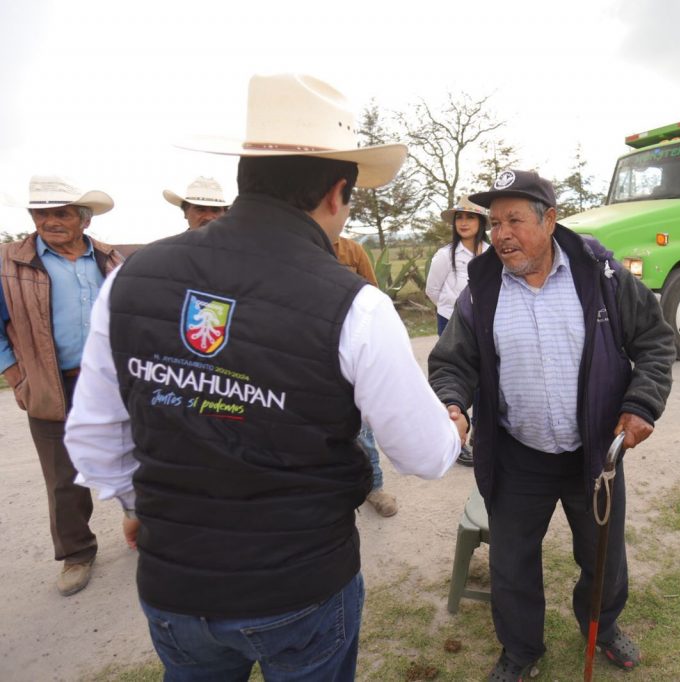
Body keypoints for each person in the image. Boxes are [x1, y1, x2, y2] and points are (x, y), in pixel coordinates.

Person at [65, 74, 461, 681]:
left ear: (244, 178)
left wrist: (144, 507)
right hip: (298, 589)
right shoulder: (355, 305)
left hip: (176, 585)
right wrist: (454, 423)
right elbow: (426, 454)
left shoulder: (133, 276)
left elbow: (93, 433)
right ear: (336, 193)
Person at [428, 169, 675, 679]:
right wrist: (453, 405)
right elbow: (452, 362)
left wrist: (642, 402)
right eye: (493, 222)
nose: (501, 234)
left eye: (514, 220)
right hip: (519, 455)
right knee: (512, 565)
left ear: (550, 219)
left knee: (602, 557)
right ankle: (521, 651)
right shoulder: (481, 289)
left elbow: (654, 340)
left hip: (594, 455)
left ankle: (600, 628)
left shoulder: (600, 274)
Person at [0, 175, 122, 597]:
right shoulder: (9, 264)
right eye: (41, 213)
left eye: (61, 213)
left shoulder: (109, 260)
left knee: (135, 453)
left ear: (83, 220)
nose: (49, 221)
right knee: (62, 475)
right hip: (53, 385)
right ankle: (76, 553)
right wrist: (17, 375)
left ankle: (147, 526)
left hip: (110, 381)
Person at [332, 234, 398, 517]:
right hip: (310, 345)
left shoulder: (352, 250)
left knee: (362, 425)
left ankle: (374, 486)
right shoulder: (295, 246)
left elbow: (372, 293)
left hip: (351, 343)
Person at [425, 195, 490, 466]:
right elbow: (432, 291)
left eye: (470, 217)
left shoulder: (491, 252)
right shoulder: (444, 255)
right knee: (456, 376)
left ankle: (479, 435)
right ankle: (457, 434)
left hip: (484, 324)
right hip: (451, 323)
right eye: (459, 218)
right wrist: (453, 311)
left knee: (484, 379)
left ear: (481, 221)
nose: (464, 222)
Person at [163, 176, 231, 230]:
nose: (208, 217)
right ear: (185, 212)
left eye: (215, 211)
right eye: (201, 210)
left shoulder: (238, 246)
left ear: (225, 214)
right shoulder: (171, 247)